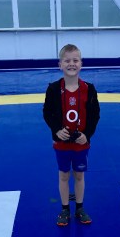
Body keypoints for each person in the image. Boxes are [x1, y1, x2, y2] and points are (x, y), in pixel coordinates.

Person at [43, 44, 100, 226]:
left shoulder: (89, 89)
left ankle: (80, 208)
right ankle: (65, 209)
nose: (71, 64)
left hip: (81, 143)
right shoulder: (53, 89)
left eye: (75, 60)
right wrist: (56, 130)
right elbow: (47, 113)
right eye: (67, 60)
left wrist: (87, 135)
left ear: (81, 63)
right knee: (63, 175)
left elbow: (95, 115)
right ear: (60, 64)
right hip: (61, 143)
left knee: (80, 175)